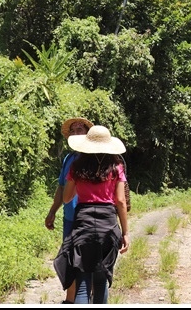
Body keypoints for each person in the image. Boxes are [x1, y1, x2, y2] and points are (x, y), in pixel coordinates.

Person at [53, 125, 130, 304]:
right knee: (101, 281)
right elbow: (120, 201)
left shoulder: (77, 166)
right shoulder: (116, 166)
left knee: (82, 282)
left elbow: (66, 198)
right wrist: (125, 232)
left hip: (83, 225)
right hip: (108, 226)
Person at [45, 117, 93, 304]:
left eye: (80, 128)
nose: (76, 132)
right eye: (73, 130)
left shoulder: (94, 158)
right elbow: (61, 187)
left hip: (88, 218)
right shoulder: (69, 158)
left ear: (88, 133)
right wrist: (52, 211)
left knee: (88, 263)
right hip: (70, 219)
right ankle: (70, 300)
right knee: (69, 260)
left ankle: (88, 299)